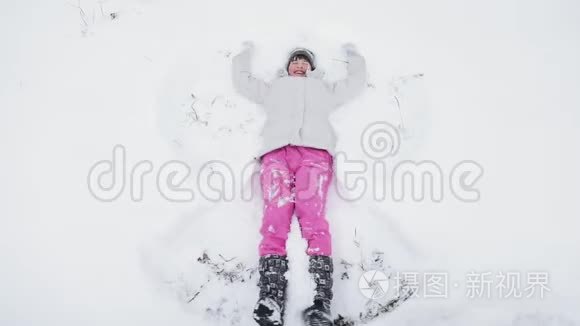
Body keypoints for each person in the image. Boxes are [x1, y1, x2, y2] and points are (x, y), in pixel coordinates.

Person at [232, 41, 367, 326]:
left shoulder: (324, 90)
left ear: (312, 68)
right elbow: (243, 82)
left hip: (315, 154)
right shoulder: (273, 89)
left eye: (305, 62)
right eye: (295, 60)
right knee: (275, 216)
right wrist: (243, 54)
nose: (300, 64)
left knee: (312, 216)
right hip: (276, 154)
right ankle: (269, 297)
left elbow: (354, 84)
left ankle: (321, 300)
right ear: (287, 66)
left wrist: (355, 58)